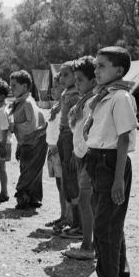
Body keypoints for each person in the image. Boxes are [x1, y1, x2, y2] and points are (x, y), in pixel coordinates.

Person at [82, 46, 137, 277]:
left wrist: (119, 180)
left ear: (118, 70)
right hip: (98, 161)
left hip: (111, 162)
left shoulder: (120, 97)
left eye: (101, 65)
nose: (96, 70)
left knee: (105, 229)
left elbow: (124, 138)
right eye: (96, 65)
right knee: (111, 226)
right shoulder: (104, 96)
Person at [64, 56, 97, 260]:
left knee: (87, 203)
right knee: (86, 202)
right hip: (82, 155)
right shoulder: (85, 99)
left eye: (80, 80)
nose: (76, 84)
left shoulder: (92, 101)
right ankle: (88, 241)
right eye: (75, 79)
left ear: (93, 81)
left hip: (88, 156)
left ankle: (87, 246)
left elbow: (88, 132)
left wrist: (79, 154)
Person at [9, 70, 47, 210]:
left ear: (25, 87)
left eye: (14, 85)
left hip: (36, 139)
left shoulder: (27, 103)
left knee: (30, 169)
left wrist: (12, 125)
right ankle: (32, 197)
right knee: (28, 167)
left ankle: (23, 195)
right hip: (28, 140)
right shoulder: (19, 102)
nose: (11, 88)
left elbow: (30, 126)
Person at [56, 61, 81, 235]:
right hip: (63, 135)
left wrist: (74, 149)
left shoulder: (76, 96)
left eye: (66, 74)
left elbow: (78, 126)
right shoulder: (66, 94)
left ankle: (78, 224)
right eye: (60, 74)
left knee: (73, 181)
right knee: (66, 180)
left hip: (70, 137)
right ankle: (71, 219)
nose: (61, 78)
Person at [45, 74, 69, 229]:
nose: (52, 89)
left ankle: (70, 217)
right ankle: (63, 215)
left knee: (67, 186)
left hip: (61, 149)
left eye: (56, 86)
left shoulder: (66, 105)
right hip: (52, 149)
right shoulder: (56, 105)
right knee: (60, 185)